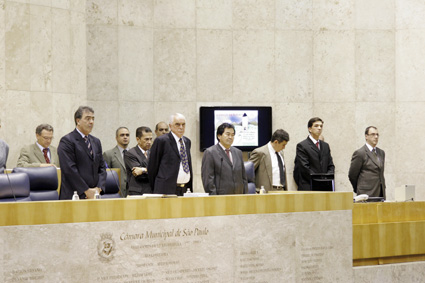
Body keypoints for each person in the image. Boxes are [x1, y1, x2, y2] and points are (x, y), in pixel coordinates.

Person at [57, 106, 106, 199]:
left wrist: (98, 188)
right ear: (78, 121)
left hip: (94, 195)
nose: (91, 122)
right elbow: (69, 169)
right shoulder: (67, 141)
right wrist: (86, 190)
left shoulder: (96, 141)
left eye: (93, 119)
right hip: (74, 195)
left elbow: (102, 167)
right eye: (88, 119)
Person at [148, 113, 192, 196]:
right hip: (165, 189)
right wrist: (157, 188)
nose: (181, 127)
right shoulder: (162, 141)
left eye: (183, 124)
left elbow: (188, 164)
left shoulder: (187, 141)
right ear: (170, 126)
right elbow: (152, 167)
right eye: (177, 124)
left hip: (184, 189)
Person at [201, 123, 248, 195]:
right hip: (221, 199)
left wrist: (245, 196)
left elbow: (243, 178)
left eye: (232, 135)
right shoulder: (210, 152)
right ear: (219, 136)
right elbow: (208, 180)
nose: (230, 137)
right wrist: (214, 198)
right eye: (228, 134)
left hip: (239, 197)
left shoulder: (238, 152)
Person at [293, 117, 335, 190]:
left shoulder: (325, 146)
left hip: (325, 186)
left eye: (321, 126)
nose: (319, 128)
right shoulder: (302, 145)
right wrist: (319, 179)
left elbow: (330, 165)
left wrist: (326, 178)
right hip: (309, 185)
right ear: (310, 129)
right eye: (316, 126)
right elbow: (304, 168)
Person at [348, 126, 386, 198]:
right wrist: (359, 188)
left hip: (380, 192)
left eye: (377, 134)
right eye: (373, 134)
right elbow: (352, 175)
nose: (376, 137)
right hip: (366, 193)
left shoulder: (381, 153)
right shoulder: (360, 153)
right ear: (366, 136)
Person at [124, 127, 153, 195]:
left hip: (152, 191)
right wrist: (153, 170)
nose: (149, 142)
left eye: (150, 139)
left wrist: (144, 170)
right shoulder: (130, 153)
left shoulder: (153, 152)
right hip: (138, 192)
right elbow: (140, 176)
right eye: (146, 139)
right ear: (138, 139)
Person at [103, 127, 130, 197]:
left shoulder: (134, 153)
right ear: (116, 138)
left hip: (132, 193)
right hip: (117, 193)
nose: (125, 137)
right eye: (122, 135)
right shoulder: (108, 154)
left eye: (127, 135)